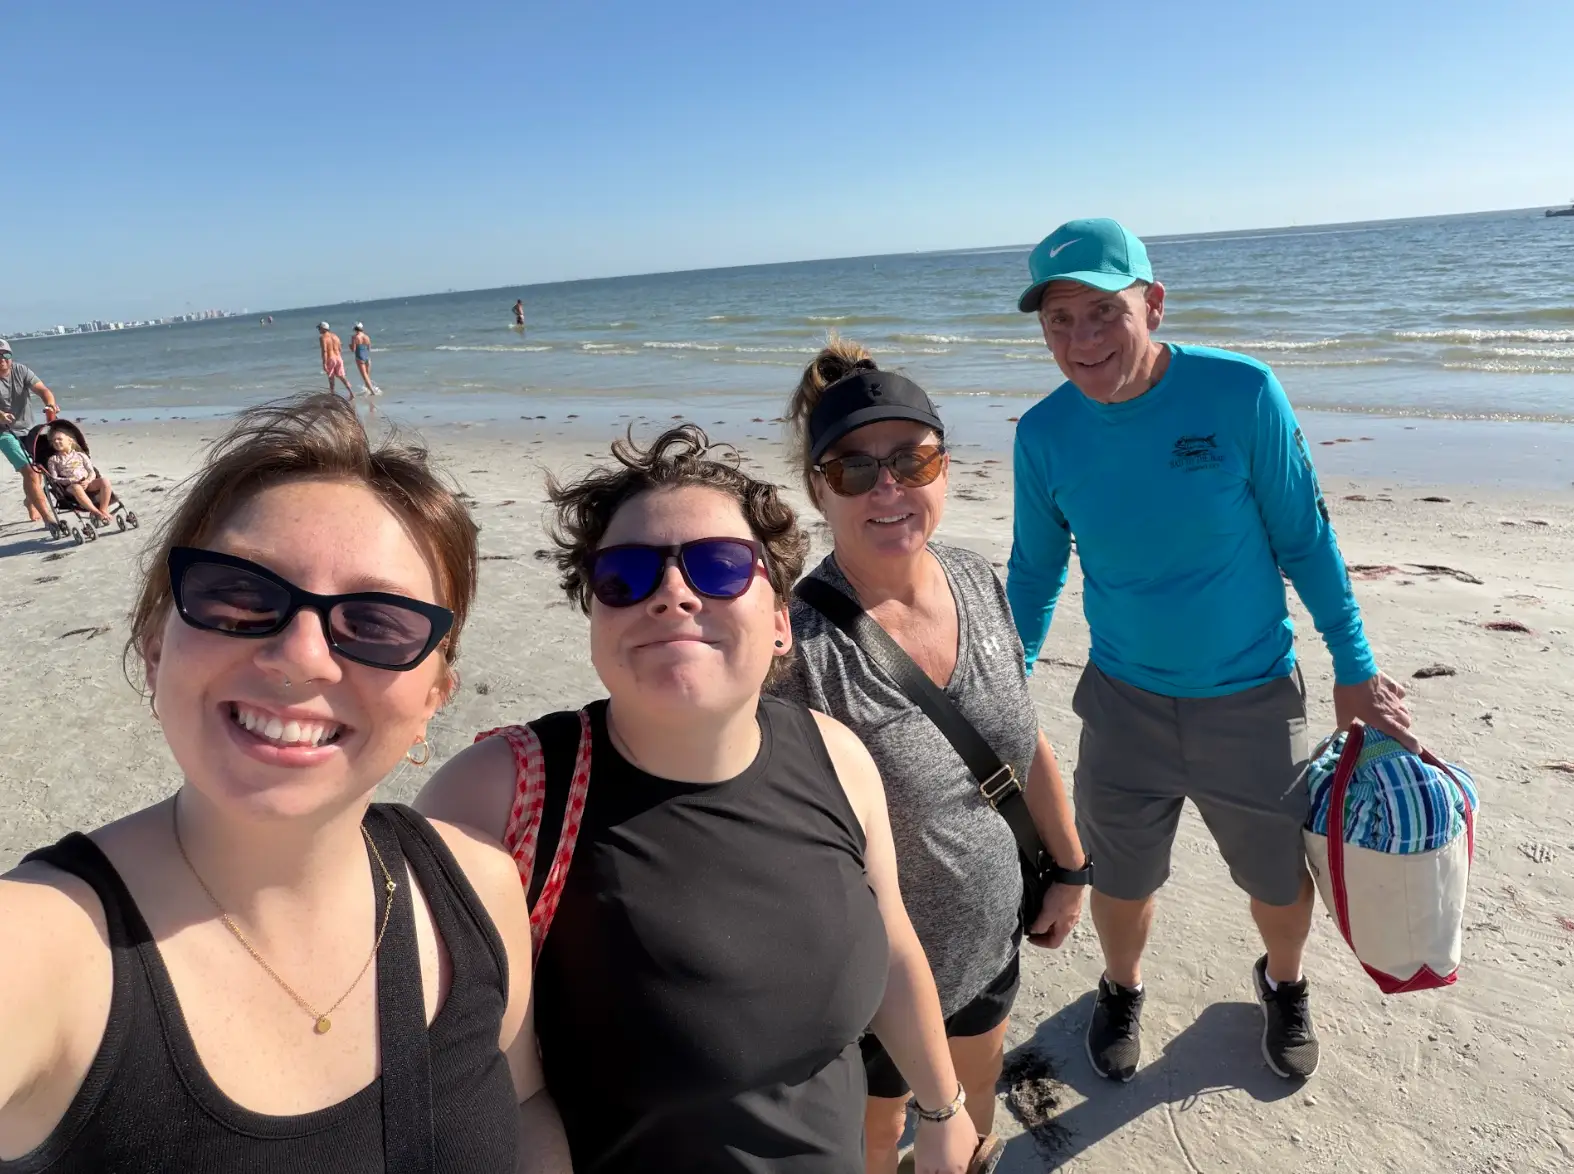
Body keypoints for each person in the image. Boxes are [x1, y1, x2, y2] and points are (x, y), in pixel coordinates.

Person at [0, 394, 570, 1172]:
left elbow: (527, 1104)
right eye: (239, 595)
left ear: (433, 699)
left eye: (378, 622)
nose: (300, 656)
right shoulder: (43, 946)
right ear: (156, 648)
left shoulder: (478, 886)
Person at [416, 425, 982, 1174]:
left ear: (779, 623)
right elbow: (477, 1095)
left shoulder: (838, 758)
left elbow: (896, 944)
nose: (674, 594)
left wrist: (943, 1108)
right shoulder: (501, 796)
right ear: (596, 618)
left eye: (719, 567)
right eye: (626, 576)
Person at [1007, 217, 1417, 1084]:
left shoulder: (1241, 392)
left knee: (1276, 880)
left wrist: (1354, 666)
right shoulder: (1043, 434)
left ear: (1153, 304)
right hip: (1121, 701)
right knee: (1120, 878)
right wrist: (1007, 676)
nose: (1081, 340)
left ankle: (1285, 981)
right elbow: (1036, 570)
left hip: (1252, 697)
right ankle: (1121, 985)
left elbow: (1305, 537)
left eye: (1104, 312)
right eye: (1059, 320)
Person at [775, 343, 1087, 1174]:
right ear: (817, 487)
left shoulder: (974, 578)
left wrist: (1070, 867)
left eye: (912, 460)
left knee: (976, 1096)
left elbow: (1024, 740)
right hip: (876, 988)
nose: (888, 488)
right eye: (854, 469)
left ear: (945, 468)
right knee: (878, 1136)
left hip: (993, 937)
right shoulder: (798, 651)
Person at [0, 340, 61, 529]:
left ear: (10, 356)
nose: (2, 359)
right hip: (4, 433)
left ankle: (30, 500)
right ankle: (48, 519)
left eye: (5, 355)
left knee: (38, 470)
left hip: (29, 428)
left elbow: (42, 389)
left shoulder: (21, 370)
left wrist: (50, 404)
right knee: (30, 472)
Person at [44, 428, 114, 523]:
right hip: (70, 486)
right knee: (76, 487)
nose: (56, 441)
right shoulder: (53, 459)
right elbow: (54, 478)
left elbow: (91, 471)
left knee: (105, 481)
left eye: (59, 439)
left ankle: (103, 509)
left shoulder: (81, 455)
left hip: (86, 482)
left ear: (70, 441)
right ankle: (96, 513)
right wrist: (70, 480)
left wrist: (88, 480)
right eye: (54, 440)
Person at [317, 322, 356, 399]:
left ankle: (332, 395)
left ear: (323, 329)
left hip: (330, 358)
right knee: (342, 376)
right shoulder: (335, 336)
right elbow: (340, 348)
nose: (318, 330)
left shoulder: (323, 337)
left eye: (319, 328)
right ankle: (351, 393)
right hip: (338, 358)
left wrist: (324, 363)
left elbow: (324, 350)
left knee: (331, 378)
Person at [349, 323, 381, 396]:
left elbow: (353, 349)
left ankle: (372, 392)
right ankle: (368, 389)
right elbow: (369, 348)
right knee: (367, 376)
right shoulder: (366, 337)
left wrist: (350, 346)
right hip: (367, 357)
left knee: (365, 376)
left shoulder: (354, 337)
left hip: (360, 357)